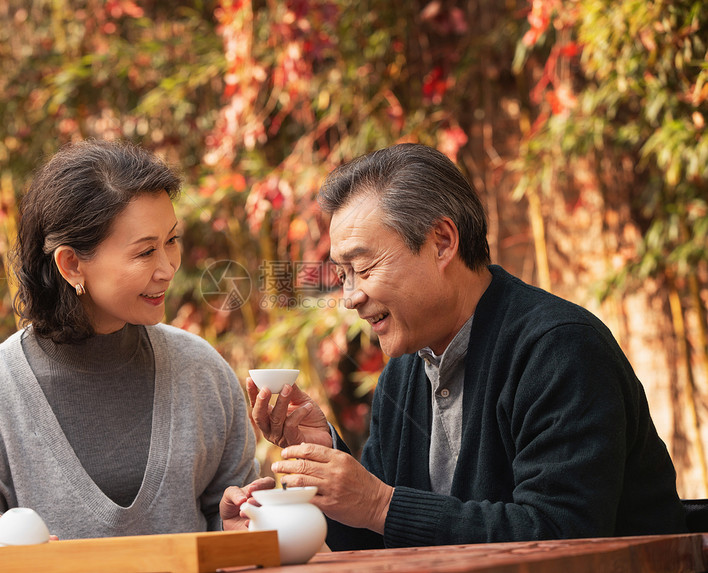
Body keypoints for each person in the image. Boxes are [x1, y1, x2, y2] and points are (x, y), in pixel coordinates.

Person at [227, 142, 687, 549]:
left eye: (363, 269)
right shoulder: (404, 372)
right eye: (342, 274)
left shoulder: (559, 349)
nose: (349, 297)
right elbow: (378, 540)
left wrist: (380, 503)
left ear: (442, 242)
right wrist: (324, 458)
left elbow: (563, 535)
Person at [0, 139, 270, 545]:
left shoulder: (201, 372)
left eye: (171, 241)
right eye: (145, 252)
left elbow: (234, 525)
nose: (167, 269)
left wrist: (236, 528)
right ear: (71, 264)